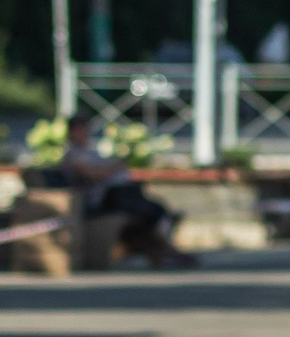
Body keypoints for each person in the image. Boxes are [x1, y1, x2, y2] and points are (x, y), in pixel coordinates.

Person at [58, 114, 195, 269]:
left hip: (118, 193)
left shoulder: (90, 151)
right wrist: (115, 167)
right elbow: (92, 175)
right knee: (152, 212)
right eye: (79, 129)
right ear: (71, 132)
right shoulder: (74, 155)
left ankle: (164, 248)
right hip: (102, 199)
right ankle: (165, 249)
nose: (84, 133)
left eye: (85, 129)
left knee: (151, 214)